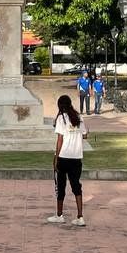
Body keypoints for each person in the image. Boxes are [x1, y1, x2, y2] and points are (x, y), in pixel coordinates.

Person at [48, 94, 88, 227]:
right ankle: (80, 216)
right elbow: (85, 135)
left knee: (61, 186)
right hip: (76, 156)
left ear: (60, 106)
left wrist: (56, 157)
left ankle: (59, 215)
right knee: (76, 186)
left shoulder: (61, 118)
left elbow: (60, 139)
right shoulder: (78, 117)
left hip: (64, 155)